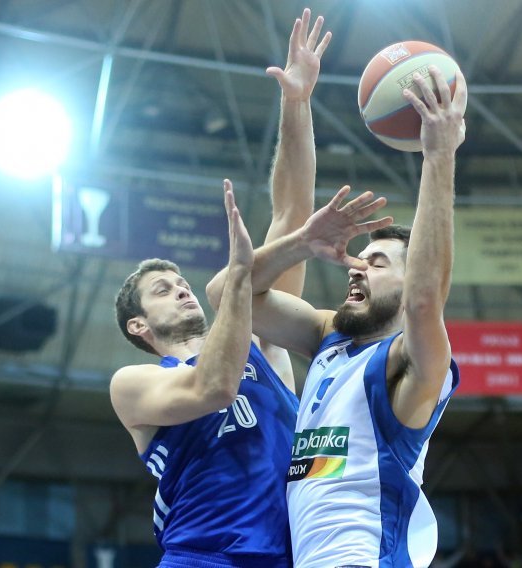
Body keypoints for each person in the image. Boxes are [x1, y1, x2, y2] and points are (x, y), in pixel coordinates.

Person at [207, 65, 467, 567]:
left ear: (409, 279)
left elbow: (423, 301)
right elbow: (226, 293)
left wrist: (438, 155)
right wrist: (302, 243)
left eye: (377, 263)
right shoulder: (329, 339)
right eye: (356, 259)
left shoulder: (410, 365)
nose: (356, 269)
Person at [110, 10, 331, 567]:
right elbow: (214, 388)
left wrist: (297, 104)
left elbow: (291, 214)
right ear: (139, 326)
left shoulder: (266, 343)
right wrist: (236, 276)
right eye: (163, 290)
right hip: (201, 558)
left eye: (181, 282)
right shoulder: (133, 386)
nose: (182, 290)